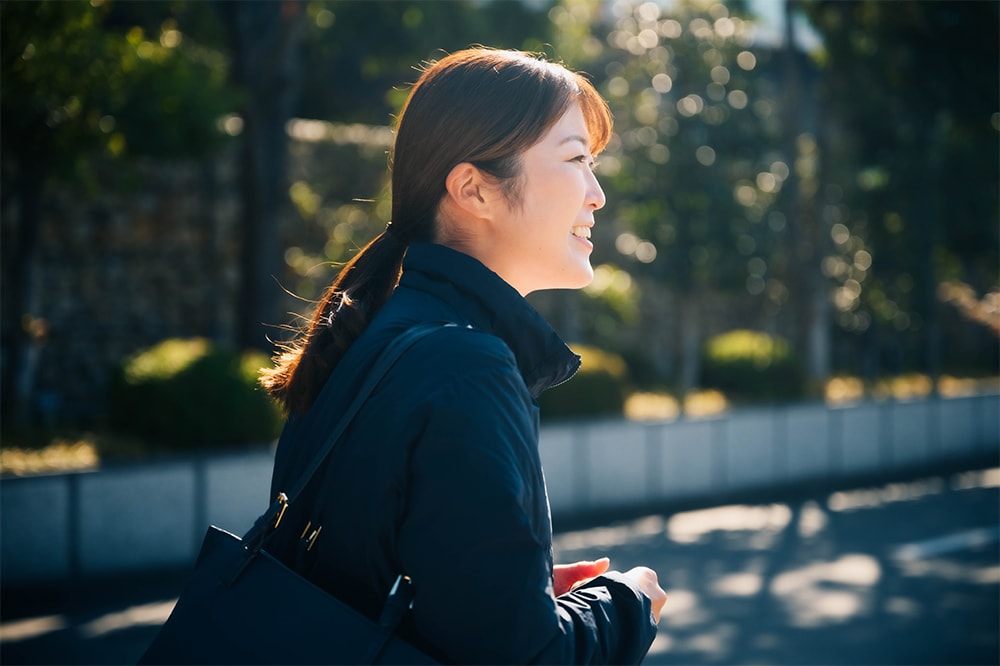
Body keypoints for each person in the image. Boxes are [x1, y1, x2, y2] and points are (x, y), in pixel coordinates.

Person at [261, 47, 667, 664]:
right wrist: (627, 601)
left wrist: (512, 592)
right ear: (474, 188)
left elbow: (367, 581)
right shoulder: (467, 369)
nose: (597, 194)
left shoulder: (374, 335)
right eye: (576, 159)